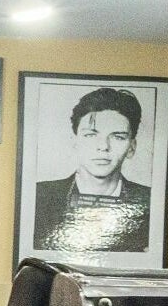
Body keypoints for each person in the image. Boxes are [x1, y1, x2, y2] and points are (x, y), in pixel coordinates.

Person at [30, 86, 156, 256]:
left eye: (118, 136)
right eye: (91, 135)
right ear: (74, 141)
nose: (103, 146)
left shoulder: (152, 203)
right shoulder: (38, 196)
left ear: (131, 147)